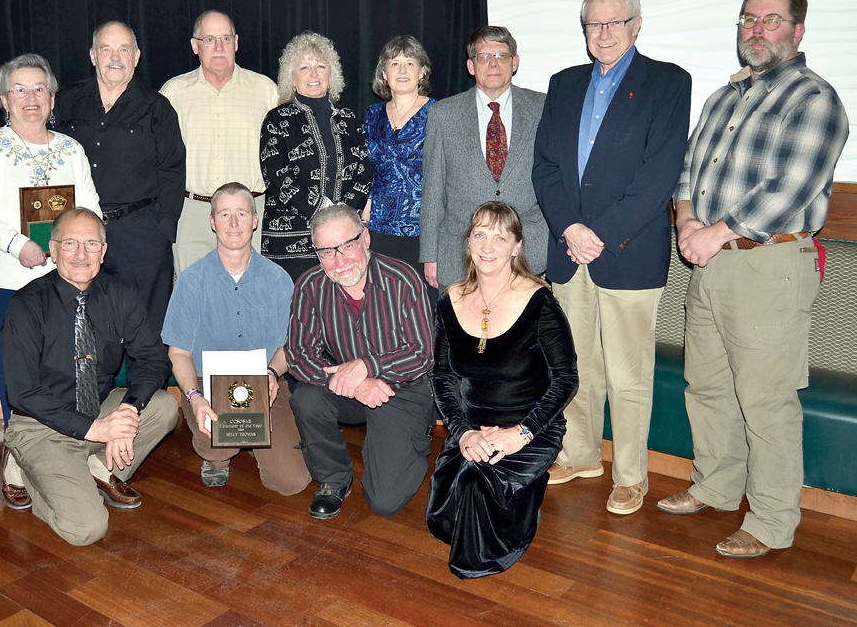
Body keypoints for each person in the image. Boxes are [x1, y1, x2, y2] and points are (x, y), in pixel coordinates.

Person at [660, 0, 849, 558]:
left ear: (797, 30)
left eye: (771, 20)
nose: (756, 30)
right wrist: (688, 224)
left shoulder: (815, 100)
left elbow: (790, 189)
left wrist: (713, 233)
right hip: (711, 262)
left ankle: (770, 521)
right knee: (708, 385)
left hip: (768, 266)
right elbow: (690, 169)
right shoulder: (724, 97)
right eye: (748, 19)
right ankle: (716, 487)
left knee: (766, 399)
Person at [532, 0, 691, 516]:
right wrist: (569, 230)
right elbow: (546, 169)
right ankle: (580, 455)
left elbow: (660, 174)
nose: (602, 34)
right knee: (574, 368)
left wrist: (598, 234)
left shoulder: (668, 82)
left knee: (628, 376)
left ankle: (629, 476)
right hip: (569, 251)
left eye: (614, 23)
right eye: (592, 25)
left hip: (627, 254)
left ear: (636, 24)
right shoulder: (563, 84)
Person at [0, 21, 186, 331]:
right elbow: (28, 122)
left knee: (146, 327)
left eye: (123, 49)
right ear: (93, 56)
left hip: (138, 235)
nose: (115, 57)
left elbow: (173, 171)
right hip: (74, 244)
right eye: (106, 49)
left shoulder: (157, 108)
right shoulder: (66, 99)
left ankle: (147, 383)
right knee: (90, 329)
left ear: (136, 57)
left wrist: (161, 233)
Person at [1, 207, 179, 546]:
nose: (81, 255)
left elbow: (153, 358)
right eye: (70, 243)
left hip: (96, 408)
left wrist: (129, 407)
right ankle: (24, 466)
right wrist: (96, 429)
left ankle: (98, 467)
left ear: (104, 250)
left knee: (162, 407)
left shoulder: (120, 295)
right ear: (52, 251)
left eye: (92, 244)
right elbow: (23, 391)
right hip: (41, 426)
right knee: (85, 530)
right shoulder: (27, 304)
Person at [426, 202, 578, 578]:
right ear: (468, 243)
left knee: (476, 485)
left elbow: (566, 379)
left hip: (530, 427)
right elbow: (442, 376)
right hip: (473, 427)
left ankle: (527, 489)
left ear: (517, 247)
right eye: (479, 234)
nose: (487, 246)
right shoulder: (450, 299)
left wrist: (519, 435)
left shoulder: (540, 302)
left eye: (500, 236)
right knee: (444, 510)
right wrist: (463, 433)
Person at [0, 54, 101, 436]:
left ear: (52, 98)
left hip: (67, 279)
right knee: (19, 372)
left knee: (69, 367)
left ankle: (76, 446)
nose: (30, 98)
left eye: (39, 89)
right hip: (11, 280)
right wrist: (18, 245)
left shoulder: (72, 150)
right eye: (19, 90)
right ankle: (19, 457)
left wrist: (79, 250)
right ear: (4, 100)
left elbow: (91, 211)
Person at [287, 204, 436, 520]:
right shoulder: (310, 286)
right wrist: (355, 383)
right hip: (350, 387)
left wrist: (367, 365)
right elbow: (298, 356)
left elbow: (422, 353)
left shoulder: (403, 278)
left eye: (348, 246)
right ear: (316, 253)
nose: (340, 260)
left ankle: (409, 440)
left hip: (403, 389)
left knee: (384, 503)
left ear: (365, 238)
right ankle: (334, 479)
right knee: (307, 397)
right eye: (327, 252)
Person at [162, 182, 310, 494]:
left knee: (292, 482)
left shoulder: (278, 279)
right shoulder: (191, 281)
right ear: (212, 221)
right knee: (216, 446)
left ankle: (257, 438)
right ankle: (219, 457)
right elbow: (178, 354)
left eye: (241, 214)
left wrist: (271, 373)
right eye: (224, 214)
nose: (233, 224)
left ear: (255, 220)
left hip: (265, 385)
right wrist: (194, 398)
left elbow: (289, 345)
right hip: (207, 386)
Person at [420, 26, 547, 292]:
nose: (493, 63)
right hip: (459, 255)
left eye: (501, 55)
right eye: (484, 56)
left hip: (529, 253)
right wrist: (430, 254)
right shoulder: (443, 114)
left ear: (515, 62)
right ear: (470, 65)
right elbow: (433, 189)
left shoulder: (543, 108)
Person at [160, 11, 279, 274]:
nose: (219, 47)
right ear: (195, 46)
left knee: (251, 297)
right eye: (209, 39)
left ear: (236, 43)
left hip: (250, 214)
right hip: (193, 214)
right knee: (193, 298)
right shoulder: (172, 93)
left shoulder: (266, 91)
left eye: (225, 38)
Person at [260, 31, 373, 283]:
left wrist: (341, 216)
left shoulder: (349, 119)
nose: (314, 74)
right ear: (292, 77)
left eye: (321, 66)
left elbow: (364, 173)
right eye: (304, 67)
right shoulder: (276, 120)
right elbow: (278, 177)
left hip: (344, 244)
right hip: (291, 245)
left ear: (331, 75)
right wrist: (323, 212)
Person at [363, 35, 436, 285]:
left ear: (422, 72)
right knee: (383, 311)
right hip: (379, 231)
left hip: (423, 233)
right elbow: (370, 174)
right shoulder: (372, 115)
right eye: (394, 63)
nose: (402, 70)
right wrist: (363, 222)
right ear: (384, 74)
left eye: (410, 63)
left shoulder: (439, 114)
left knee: (424, 313)